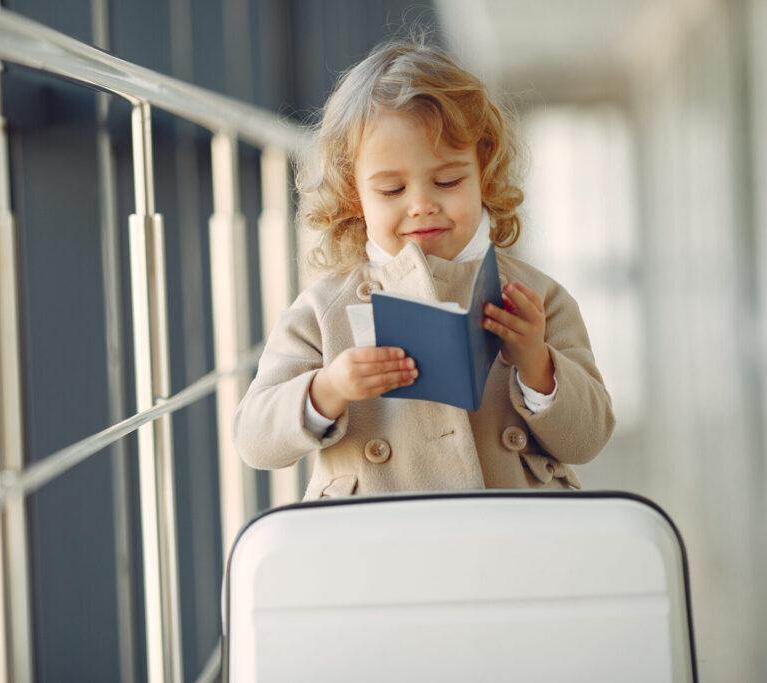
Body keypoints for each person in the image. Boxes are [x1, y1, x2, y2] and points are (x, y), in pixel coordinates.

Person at [232, 35, 615, 500]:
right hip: (378, 546)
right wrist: (328, 389)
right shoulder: (322, 309)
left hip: (515, 540)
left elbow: (590, 438)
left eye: (448, 180)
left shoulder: (536, 297)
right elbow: (254, 440)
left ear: (484, 173)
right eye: (392, 190)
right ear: (354, 195)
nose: (422, 205)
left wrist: (537, 364)